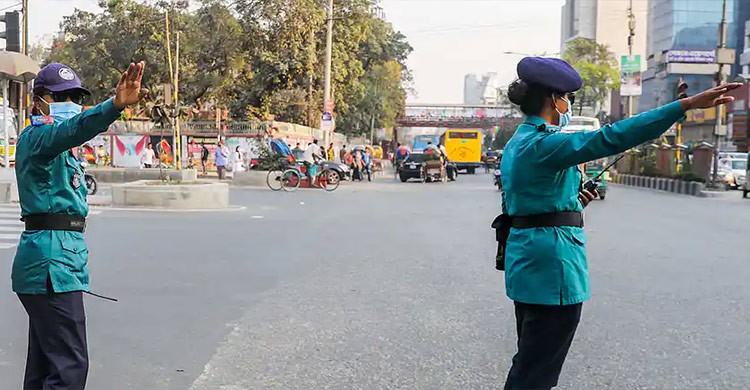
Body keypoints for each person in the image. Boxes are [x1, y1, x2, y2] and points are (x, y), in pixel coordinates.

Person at [499, 57, 740, 390]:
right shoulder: (544, 144)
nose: (568, 104)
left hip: (528, 265)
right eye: (566, 96)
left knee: (530, 362)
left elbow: (525, 201)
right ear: (553, 99)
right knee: (535, 374)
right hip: (551, 269)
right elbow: (612, 137)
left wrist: (572, 203)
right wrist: (684, 105)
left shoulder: (517, 144)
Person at [13, 61, 147, 389]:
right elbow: (74, 129)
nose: (69, 102)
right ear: (38, 101)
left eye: (74, 96)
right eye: (60, 97)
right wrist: (114, 105)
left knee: (46, 363)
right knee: (70, 366)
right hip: (50, 263)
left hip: (59, 260)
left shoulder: (60, 147)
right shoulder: (39, 138)